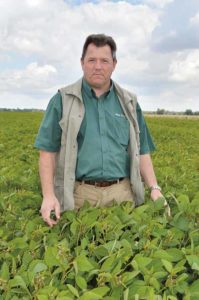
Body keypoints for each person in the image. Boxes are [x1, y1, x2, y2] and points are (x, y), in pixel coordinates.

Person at [35, 33, 166, 227]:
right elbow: (47, 152)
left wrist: (154, 188)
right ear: (82, 63)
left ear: (114, 64)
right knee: (80, 247)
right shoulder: (62, 100)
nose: (98, 66)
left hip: (122, 194)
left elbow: (142, 150)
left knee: (125, 249)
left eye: (104, 60)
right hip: (79, 195)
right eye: (91, 60)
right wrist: (48, 195)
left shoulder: (129, 102)